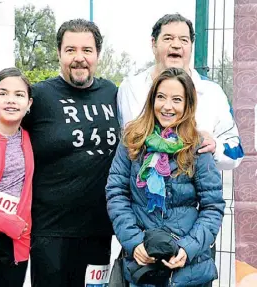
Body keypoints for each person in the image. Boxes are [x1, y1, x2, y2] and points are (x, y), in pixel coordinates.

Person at [106, 68, 225, 286]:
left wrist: (188, 248)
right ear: (152, 100)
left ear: (188, 105)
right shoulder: (132, 142)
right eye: (161, 97)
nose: (167, 106)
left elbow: (213, 206)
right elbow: (116, 194)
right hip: (141, 265)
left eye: (177, 99)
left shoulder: (197, 146)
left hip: (188, 270)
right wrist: (134, 242)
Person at [22, 19, 119, 287]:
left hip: (99, 230)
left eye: (87, 50)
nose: (79, 58)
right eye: (70, 50)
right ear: (59, 54)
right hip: (50, 232)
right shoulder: (39, 96)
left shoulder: (112, 93)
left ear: (97, 54)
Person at [117, 13, 244, 171]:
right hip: (141, 192)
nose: (176, 45)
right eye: (168, 38)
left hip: (196, 191)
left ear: (191, 46)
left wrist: (215, 147)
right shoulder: (130, 88)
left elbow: (236, 153)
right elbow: (121, 151)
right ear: (153, 43)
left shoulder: (213, 92)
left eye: (184, 40)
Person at [0, 67, 34, 287]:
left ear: (29, 103)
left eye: (19, 94)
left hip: (16, 244)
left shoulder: (30, 139)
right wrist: (6, 221)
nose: (11, 100)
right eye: (3, 93)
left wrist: (20, 228)